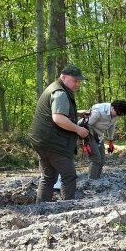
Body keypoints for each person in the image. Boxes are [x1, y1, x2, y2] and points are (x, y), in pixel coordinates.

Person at [30, 64, 89, 202]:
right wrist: (78, 129)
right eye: (75, 80)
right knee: (69, 176)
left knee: (48, 176)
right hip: (54, 143)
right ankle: (68, 207)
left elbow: (55, 111)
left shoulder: (55, 88)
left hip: (42, 141)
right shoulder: (61, 93)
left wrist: (77, 113)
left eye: (79, 81)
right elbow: (58, 118)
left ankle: (41, 208)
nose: (78, 84)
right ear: (63, 77)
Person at [84, 99, 126, 179]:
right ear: (112, 107)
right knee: (96, 159)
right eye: (118, 113)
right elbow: (85, 125)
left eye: (120, 114)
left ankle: (97, 179)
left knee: (102, 160)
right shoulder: (98, 111)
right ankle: (91, 182)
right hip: (87, 133)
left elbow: (111, 126)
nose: (117, 116)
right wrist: (85, 143)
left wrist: (110, 141)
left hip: (99, 135)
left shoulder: (116, 114)